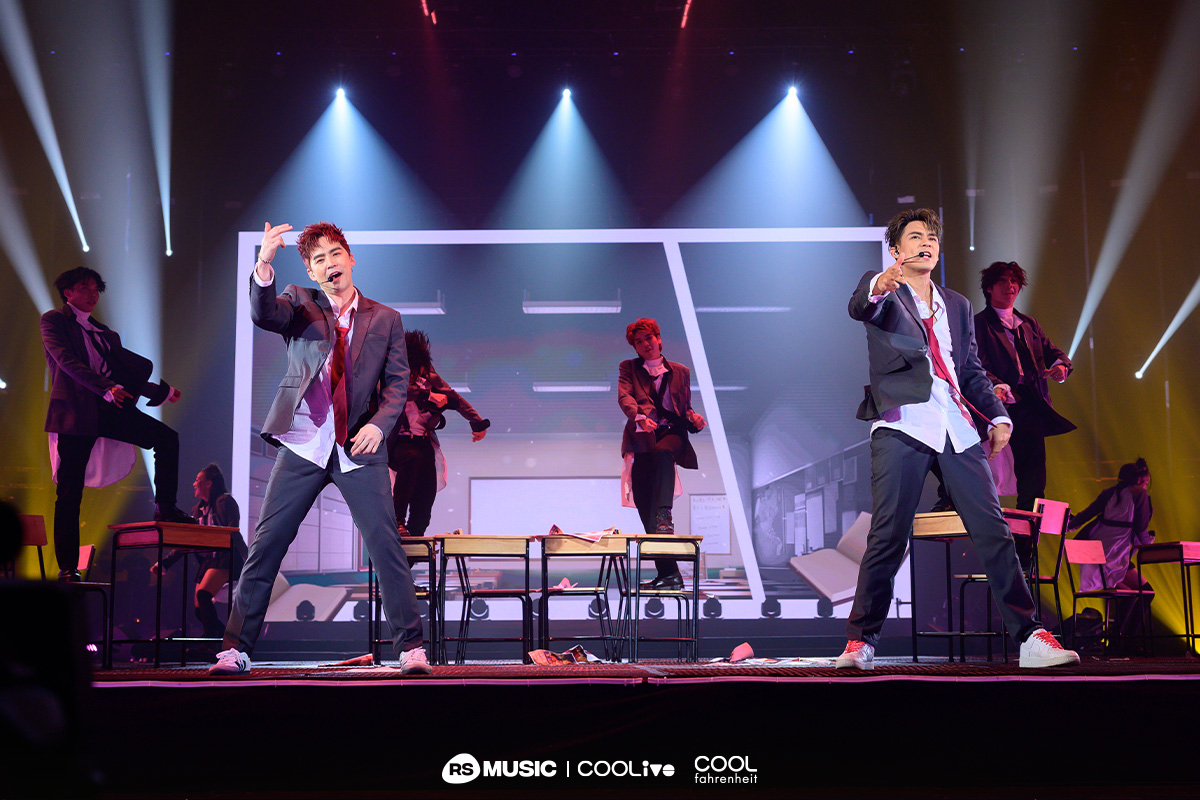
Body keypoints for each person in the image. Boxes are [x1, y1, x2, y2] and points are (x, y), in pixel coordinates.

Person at [837, 208, 1078, 669]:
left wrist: (997, 417)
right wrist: (880, 284)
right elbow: (860, 307)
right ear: (896, 249)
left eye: (932, 237)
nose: (926, 243)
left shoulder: (959, 305)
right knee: (888, 534)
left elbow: (969, 370)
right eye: (915, 236)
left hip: (956, 425)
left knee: (994, 530)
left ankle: (1029, 636)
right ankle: (861, 641)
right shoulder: (882, 289)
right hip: (903, 422)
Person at [210, 221, 430, 675]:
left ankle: (411, 648)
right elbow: (263, 314)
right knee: (267, 545)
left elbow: (397, 383)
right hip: (304, 443)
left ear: (351, 258)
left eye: (335, 254)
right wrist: (264, 263)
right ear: (311, 272)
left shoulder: (385, 318)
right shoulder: (299, 302)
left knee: (385, 545)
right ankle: (236, 650)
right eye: (319, 260)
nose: (330, 264)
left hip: (358, 445)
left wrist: (382, 426)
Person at [41, 267, 192, 582]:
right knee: (69, 492)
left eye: (96, 289)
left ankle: (165, 506)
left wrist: (160, 392)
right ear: (67, 292)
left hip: (108, 407)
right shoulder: (54, 321)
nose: (93, 294)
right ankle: (68, 567)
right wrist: (105, 387)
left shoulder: (104, 333)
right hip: (75, 412)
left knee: (166, 438)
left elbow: (119, 372)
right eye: (85, 287)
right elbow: (67, 362)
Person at [974, 261, 1075, 511]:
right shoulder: (980, 323)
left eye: (1014, 281)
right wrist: (997, 385)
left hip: (1031, 403)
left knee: (1034, 473)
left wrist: (1061, 367)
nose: (1010, 285)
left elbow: (1054, 353)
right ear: (989, 288)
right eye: (1003, 280)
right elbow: (976, 364)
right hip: (999, 404)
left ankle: (1028, 526)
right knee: (986, 471)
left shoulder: (1028, 324)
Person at [617, 318, 706, 590]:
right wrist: (639, 416)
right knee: (646, 509)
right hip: (642, 439)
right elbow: (625, 397)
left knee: (663, 453)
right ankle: (669, 575)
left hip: (672, 435)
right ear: (635, 347)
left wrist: (694, 419)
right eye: (638, 342)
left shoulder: (680, 371)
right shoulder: (629, 368)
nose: (645, 344)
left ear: (658, 338)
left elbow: (685, 408)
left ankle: (665, 514)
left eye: (648, 338)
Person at [386, 330, 490, 537]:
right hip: (399, 442)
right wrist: (428, 395)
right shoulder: (392, 376)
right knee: (410, 457)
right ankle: (397, 520)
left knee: (424, 502)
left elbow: (454, 398)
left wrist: (477, 422)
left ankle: (412, 544)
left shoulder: (429, 376)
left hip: (424, 442)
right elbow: (397, 394)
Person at [151, 464, 249, 639]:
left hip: (225, 557)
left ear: (209, 483)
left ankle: (211, 643)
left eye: (198, 480)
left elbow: (233, 532)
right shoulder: (197, 510)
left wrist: (249, 560)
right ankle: (225, 638)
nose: (194, 484)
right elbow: (189, 541)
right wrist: (165, 562)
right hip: (209, 560)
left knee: (203, 596)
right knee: (199, 610)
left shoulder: (225, 502)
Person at [1070, 458, 1154, 641]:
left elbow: (1088, 513)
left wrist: (1070, 525)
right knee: (1147, 592)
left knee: (1133, 595)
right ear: (1138, 480)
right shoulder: (1140, 494)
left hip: (1097, 553)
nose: (1145, 486)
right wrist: (1148, 544)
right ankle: (1124, 641)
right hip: (1115, 556)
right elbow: (1141, 527)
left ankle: (1118, 640)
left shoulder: (1109, 493)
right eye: (1145, 482)